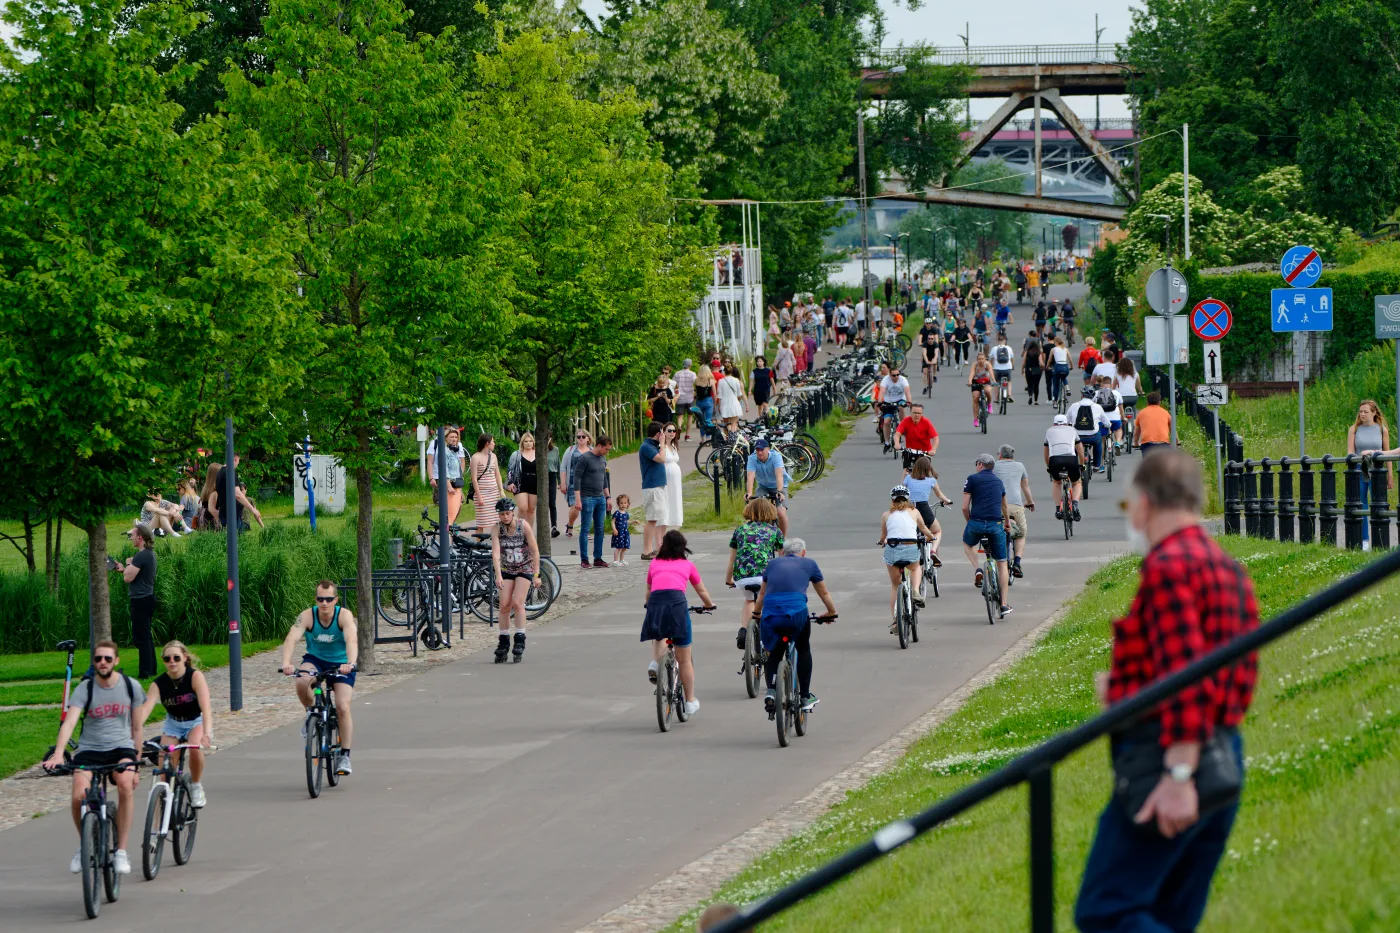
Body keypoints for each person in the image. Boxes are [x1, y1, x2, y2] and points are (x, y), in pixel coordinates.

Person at [1075, 449, 1259, 933]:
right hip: (1223, 756)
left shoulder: (1168, 568)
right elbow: (1233, 673)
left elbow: (1186, 676)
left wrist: (1179, 775)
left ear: (1143, 504)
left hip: (1170, 758)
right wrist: (1125, 687)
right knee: (1172, 917)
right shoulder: (1228, 568)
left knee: (1106, 910)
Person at [44, 640, 144, 875]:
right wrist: (58, 753)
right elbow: (69, 723)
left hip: (121, 748)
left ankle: (121, 851)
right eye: (98, 658)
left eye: (108, 658)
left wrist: (136, 766)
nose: (103, 662)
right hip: (90, 749)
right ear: (94, 662)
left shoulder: (131, 686)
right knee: (79, 795)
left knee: (125, 785)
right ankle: (85, 845)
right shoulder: (85, 688)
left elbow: (137, 729)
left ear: (116, 661)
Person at [751, 538, 838, 714]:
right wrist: (831, 612)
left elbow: (762, 594)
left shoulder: (772, 564)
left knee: (775, 651)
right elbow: (823, 592)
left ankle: (771, 691)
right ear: (803, 552)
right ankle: (805, 696)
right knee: (803, 649)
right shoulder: (809, 563)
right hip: (796, 614)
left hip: (772, 614)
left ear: (783, 552)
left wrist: (756, 614)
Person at [280, 581, 358, 774]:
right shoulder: (307, 616)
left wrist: (350, 663)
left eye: (329, 599)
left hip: (341, 663)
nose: (324, 603)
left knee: (342, 706)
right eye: (320, 599)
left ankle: (345, 756)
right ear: (316, 600)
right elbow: (292, 637)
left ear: (336, 600)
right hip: (315, 660)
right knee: (302, 680)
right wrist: (287, 663)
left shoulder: (344, 616)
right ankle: (311, 714)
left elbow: (351, 639)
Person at [640, 531, 716, 716]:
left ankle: (655, 663)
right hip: (677, 604)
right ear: (683, 547)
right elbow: (701, 590)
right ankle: (689, 701)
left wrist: (649, 605)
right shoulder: (688, 565)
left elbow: (649, 589)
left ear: (663, 546)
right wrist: (709, 605)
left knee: (660, 633)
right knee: (684, 659)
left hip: (656, 602)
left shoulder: (654, 563)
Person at [140, 640, 213, 808]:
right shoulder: (158, 684)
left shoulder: (194, 677)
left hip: (194, 722)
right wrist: (133, 732)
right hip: (173, 724)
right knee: (164, 770)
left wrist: (207, 733)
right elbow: (146, 709)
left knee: (195, 748)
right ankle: (163, 817)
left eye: (176, 658)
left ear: (184, 657)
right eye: (167, 659)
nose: (172, 662)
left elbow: (206, 708)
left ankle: (196, 785)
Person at [725, 497, 784, 649]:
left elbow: (732, 559)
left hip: (743, 576)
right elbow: (782, 557)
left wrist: (729, 579)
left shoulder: (740, 530)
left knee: (749, 600)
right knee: (767, 600)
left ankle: (744, 630)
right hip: (766, 576)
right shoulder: (775, 531)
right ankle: (766, 636)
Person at [489, 497, 540, 662]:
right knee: (504, 605)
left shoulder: (522, 525)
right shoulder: (496, 529)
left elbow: (534, 550)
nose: (505, 517)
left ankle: (519, 639)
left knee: (517, 603)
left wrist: (536, 574)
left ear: (513, 513)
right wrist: (498, 575)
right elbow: (496, 553)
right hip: (507, 569)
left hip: (524, 568)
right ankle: (503, 642)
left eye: (507, 513)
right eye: (501, 514)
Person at [961, 453, 1013, 616]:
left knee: (968, 543)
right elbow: (1004, 506)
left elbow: (964, 507)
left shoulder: (972, 479)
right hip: (995, 524)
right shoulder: (998, 482)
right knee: (1002, 562)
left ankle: (978, 569)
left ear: (980, 465)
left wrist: (969, 521)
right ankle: (1003, 604)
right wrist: (1007, 522)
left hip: (976, 522)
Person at [879, 485, 936, 616]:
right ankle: (915, 591)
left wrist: (882, 541)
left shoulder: (886, 515)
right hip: (910, 548)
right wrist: (931, 537)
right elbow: (923, 528)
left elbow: (884, 535)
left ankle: (896, 620)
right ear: (908, 499)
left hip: (892, 550)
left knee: (895, 585)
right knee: (916, 568)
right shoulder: (914, 512)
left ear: (892, 500)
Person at [113, 523, 158, 677]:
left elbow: (128, 578)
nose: (130, 538)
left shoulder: (141, 555)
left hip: (141, 600)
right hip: (147, 599)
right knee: (146, 636)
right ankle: (151, 669)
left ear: (140, 538)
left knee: (141, 638)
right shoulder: (148, 554)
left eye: (132, 535)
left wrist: (128, 564)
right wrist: (123, 569)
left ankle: (145, 672)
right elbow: (131, 574)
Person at [1348, 399, 1391, 546]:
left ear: (1374, 413)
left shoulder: (1382, 429)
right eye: (1360, 411)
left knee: (1378, 503)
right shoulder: (1354, 429)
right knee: (1361, 503)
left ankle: (1380, 538)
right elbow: (1350, 453)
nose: (1362, 414)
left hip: (1377, 470)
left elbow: (1387, 453)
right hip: (1359, 469)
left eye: (1366, 411)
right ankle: (1364, 539)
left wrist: (1390, 475)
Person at [993, 444, 1036, 578]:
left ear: (1000, 455)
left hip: (998, 506)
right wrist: (1030, 502)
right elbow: (1025, 487)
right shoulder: (1020, 466)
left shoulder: (994, 466)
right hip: (1016, 506)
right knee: (1021, 534)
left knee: (995, 530)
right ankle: (1017, 562)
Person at [575, 434, 614, 569]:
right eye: (606, 449)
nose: (607, 451)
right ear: (599, 445)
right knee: (585, 529)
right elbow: (577, 478)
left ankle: (598, 558)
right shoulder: (585, 458)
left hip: (600, 498)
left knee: (600, 529)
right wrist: (578, 499)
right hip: (587, 497)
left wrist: (608, 497)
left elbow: (604, 479)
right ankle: (584, 559)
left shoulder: (603, 459)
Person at [903, 455, 952, 558]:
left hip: (911, 509)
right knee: (937, 531)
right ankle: (933, 551)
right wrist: (947, 501)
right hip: (924, 509)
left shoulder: (908, 478)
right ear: (928, 468)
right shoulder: (931, 480)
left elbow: (902, 491)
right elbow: (939, 495)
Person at [1045, 413, 1085, 521]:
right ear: (1066, 423)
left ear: (1054, 424)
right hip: (1071, 459)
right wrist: (1081, 465)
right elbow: (1080, 450)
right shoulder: (1072, 430)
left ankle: (1058, 509)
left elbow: (1046, 451)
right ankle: (1075, 505)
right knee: (1076, 483)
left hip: (1055, 460)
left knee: (1057, 482)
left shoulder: (1049, 431)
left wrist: (1048, 466)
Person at [209, 454, 263, 532]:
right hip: (232, 515)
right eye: (238, 461)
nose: (237, 464)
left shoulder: (220, 472)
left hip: (226, 513)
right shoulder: (230, 472)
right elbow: (237, 494)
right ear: (235, 459)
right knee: (236, 538)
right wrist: (252, 509)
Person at [638, 422, 668, 559]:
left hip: (657, 486)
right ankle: (646, 551)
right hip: (652, 487)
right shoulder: (647, 447)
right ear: (658, 434)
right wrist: (662, 444)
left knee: (654, 519)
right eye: (662, 433)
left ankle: (650, 550)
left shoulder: (653, 446)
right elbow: (661, 459)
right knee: (651, 519)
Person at [746, 439, 789, 534]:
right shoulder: (752, 458)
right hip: (763, 486)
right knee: (758, 510)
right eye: (757, 450)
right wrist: (749, 492)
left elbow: (779, 475)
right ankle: (761, 536)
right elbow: (750, 476)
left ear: (768, 449)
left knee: (781, 514)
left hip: (778, 486)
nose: (759, 452)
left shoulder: (776, 457)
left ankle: (782, 539)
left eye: (762, 450)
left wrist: (780, 491)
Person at [428, 427, 468, 525]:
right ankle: (447, 527)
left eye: (456, 437)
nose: (454, 439)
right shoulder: (441, 448)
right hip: (444, 480)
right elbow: (443, 468)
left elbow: (461, 463)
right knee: (448, 509)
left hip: (455, 480)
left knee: (458, 506)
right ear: (445, 438)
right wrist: (432, 477)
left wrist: (460, 477)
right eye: (451, 437)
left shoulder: (455, 450)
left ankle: (451, 526)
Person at [1069, 385, 1110, 472]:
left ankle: (1074, 464)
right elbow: (1106, 422)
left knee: (1074, 445)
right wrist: (1109, 425)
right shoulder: (1098, 407)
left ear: (1082, 395)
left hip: (1078, 437)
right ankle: (1096, 465)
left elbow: (1067, 420)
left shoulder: (1074, 406)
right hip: (1092, 436)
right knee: (1098, 442)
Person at [506, 431, 541, 530]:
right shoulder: (516, 454)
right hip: (520, 483)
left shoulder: (538, 454)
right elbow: (510, 469)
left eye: (530, 441)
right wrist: (510, 482)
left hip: (534, 482)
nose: (528, 443)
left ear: (533, 442)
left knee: (531, 509)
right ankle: (517, 529)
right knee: (522, 508)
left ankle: (528, 532)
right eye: (526, 441)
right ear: (522, 443)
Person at [470, 433, 503, 532]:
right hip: (482, 492)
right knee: (481, 521)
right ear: (487, 444)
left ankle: (495, 539)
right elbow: (474, 479)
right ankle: (479, 540)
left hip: (493, 492)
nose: (494, 444)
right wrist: (479, 496)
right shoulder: (475, 457)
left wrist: (501, 490)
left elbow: (497, 474)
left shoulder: (493, 456)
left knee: (496, 519)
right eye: (493, 442)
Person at [561, 429, 591, 537]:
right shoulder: (570, 450)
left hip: (588, 483)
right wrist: (563, 483)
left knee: (587, 507)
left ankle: (585, 531)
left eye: (583, 436)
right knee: (575, 508)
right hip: (573, 483)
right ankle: (570, 525)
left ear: (588, 438)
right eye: (578, 437)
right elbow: (563, 467)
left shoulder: (592, 451)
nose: (581, 439)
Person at [894, 401, 940, 470]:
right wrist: (897, 444)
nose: (917, 415)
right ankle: (905, 477)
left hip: (924, 452)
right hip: (910, 452)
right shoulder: (906, 421)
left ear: (922, 414)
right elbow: (897, 434)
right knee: (906, 471)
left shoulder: (926, 422)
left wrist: (933, 449)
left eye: (919, 413)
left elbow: (935, 438)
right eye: (915, 413)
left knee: (924, 471)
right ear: (910, 412)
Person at [877, 365, 911, 447]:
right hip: (888, 401)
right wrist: (880, 402)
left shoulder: (903, 380)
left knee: (901, 408)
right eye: (894, 375)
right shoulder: (885, 380)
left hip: (900, 400)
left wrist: (909, 402)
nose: (896, 377)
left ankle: (903, 426)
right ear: (889, 375)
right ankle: (887, 442)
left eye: (897, 375)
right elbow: (882, 392)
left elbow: (907, 392)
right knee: (886, 422)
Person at [1096, 376, 1126, 451]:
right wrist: (1123, 418)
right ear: (1111, 385)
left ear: (1101, 385)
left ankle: (1101, 457)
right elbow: (1121, 410)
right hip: (1115, 419)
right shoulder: (1117, 393)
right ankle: (1118, 442)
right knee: (1118, 429)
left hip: (1101, 420)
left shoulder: (1097, 393)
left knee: (1102, 440)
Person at [967, 350, 994, 429]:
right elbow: (972, 373)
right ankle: (975, 419)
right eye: (979, 359)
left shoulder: (987, 364)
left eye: (982, 359)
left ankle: (989, 404)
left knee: (987, 391)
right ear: (977, 360)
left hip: (985, 381)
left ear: (985, 359)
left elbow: (991, 373)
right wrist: (969, 381)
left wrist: (994, 381)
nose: (981, 360)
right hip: (976, 382)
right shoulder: (975, 365)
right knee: (975, 398)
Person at [990, 332, 1016, 404]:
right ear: (1005, 340)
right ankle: (1009, 395)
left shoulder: (994, 349)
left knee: (996, 382)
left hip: (997, 369)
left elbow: (991, 359)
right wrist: (1012, 366)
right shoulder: (1009, 348)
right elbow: (1012, 359)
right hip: (1007, 369)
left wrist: (990, 367)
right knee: (1009, 381)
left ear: (997, 340)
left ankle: (996, 398)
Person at [674, 360, 697, 440]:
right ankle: (687, 435)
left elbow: (673, 384)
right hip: (690, 398)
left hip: (680, 398)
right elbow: (696, 382)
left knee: (680, 415)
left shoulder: (677, 373)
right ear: (690, 365)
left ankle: (679, 426)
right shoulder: (692, 374)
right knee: (690, 416)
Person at [693, 363, 717, 436]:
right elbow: (715, 394)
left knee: (701, 420)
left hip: (699, 402)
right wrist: (715, 404)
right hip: (708, 401)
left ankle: (702, 438)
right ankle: (708, 437)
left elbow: (695, 392)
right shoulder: (711, 381)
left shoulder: (696, 380)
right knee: (708, 420)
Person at [545, 435, 561, 538]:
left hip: (552, 476)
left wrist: (560, 481)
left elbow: (558, 465)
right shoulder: (536, 450)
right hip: (540, 477)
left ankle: (554, 527)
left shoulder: (555, 450)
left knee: (552, 503)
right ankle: (543, 527)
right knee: (542, 503)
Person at [611, 494, 633, 565]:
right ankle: (615, 561)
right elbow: (612, 521)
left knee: (624, 547)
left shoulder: (626, 513)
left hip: (625, 533)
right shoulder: (617, 513)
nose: (623, 504)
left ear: (628, 504)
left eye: (625, 503)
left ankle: (622, 560)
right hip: (618, 532)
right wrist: (614, 529)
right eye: (621, 503)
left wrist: (633, 522)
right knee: (618, 547)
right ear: (618, 504)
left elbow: (626, 522)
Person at [1023, 332, 1044, 405]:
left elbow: (1024, 362)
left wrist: (1022, 369)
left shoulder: (1027, 352)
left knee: (1030, 384)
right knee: (1036, 385)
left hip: (1028, 369)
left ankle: (1030, 396)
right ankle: (1036, 401)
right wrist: (1043, 367)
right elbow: (1041, 362)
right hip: (1037, 369)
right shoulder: (1038, 353)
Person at [920, 328, 940, 394]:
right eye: (929, 338)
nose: (930, 340)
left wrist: (934, 360)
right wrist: (927, 361)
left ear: (933, 339)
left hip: (932, 357)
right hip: (926, 357)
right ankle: (925, 387)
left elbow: (936, 353)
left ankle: (934, 376)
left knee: (935, 364)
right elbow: (924, 353)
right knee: (925, 372)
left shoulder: (935, 344)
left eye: (932, 339)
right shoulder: (925, 344)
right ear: (927, 339)